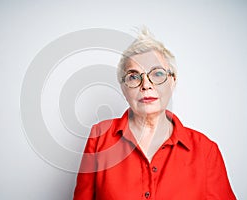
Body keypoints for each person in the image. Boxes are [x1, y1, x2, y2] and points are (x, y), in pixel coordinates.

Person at [73, 28, 236, 200]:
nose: (146, 85)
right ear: (123, 87)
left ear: (173, 81)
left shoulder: (205, 150)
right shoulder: (100, 137)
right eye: (134, 77)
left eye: (157, 74)